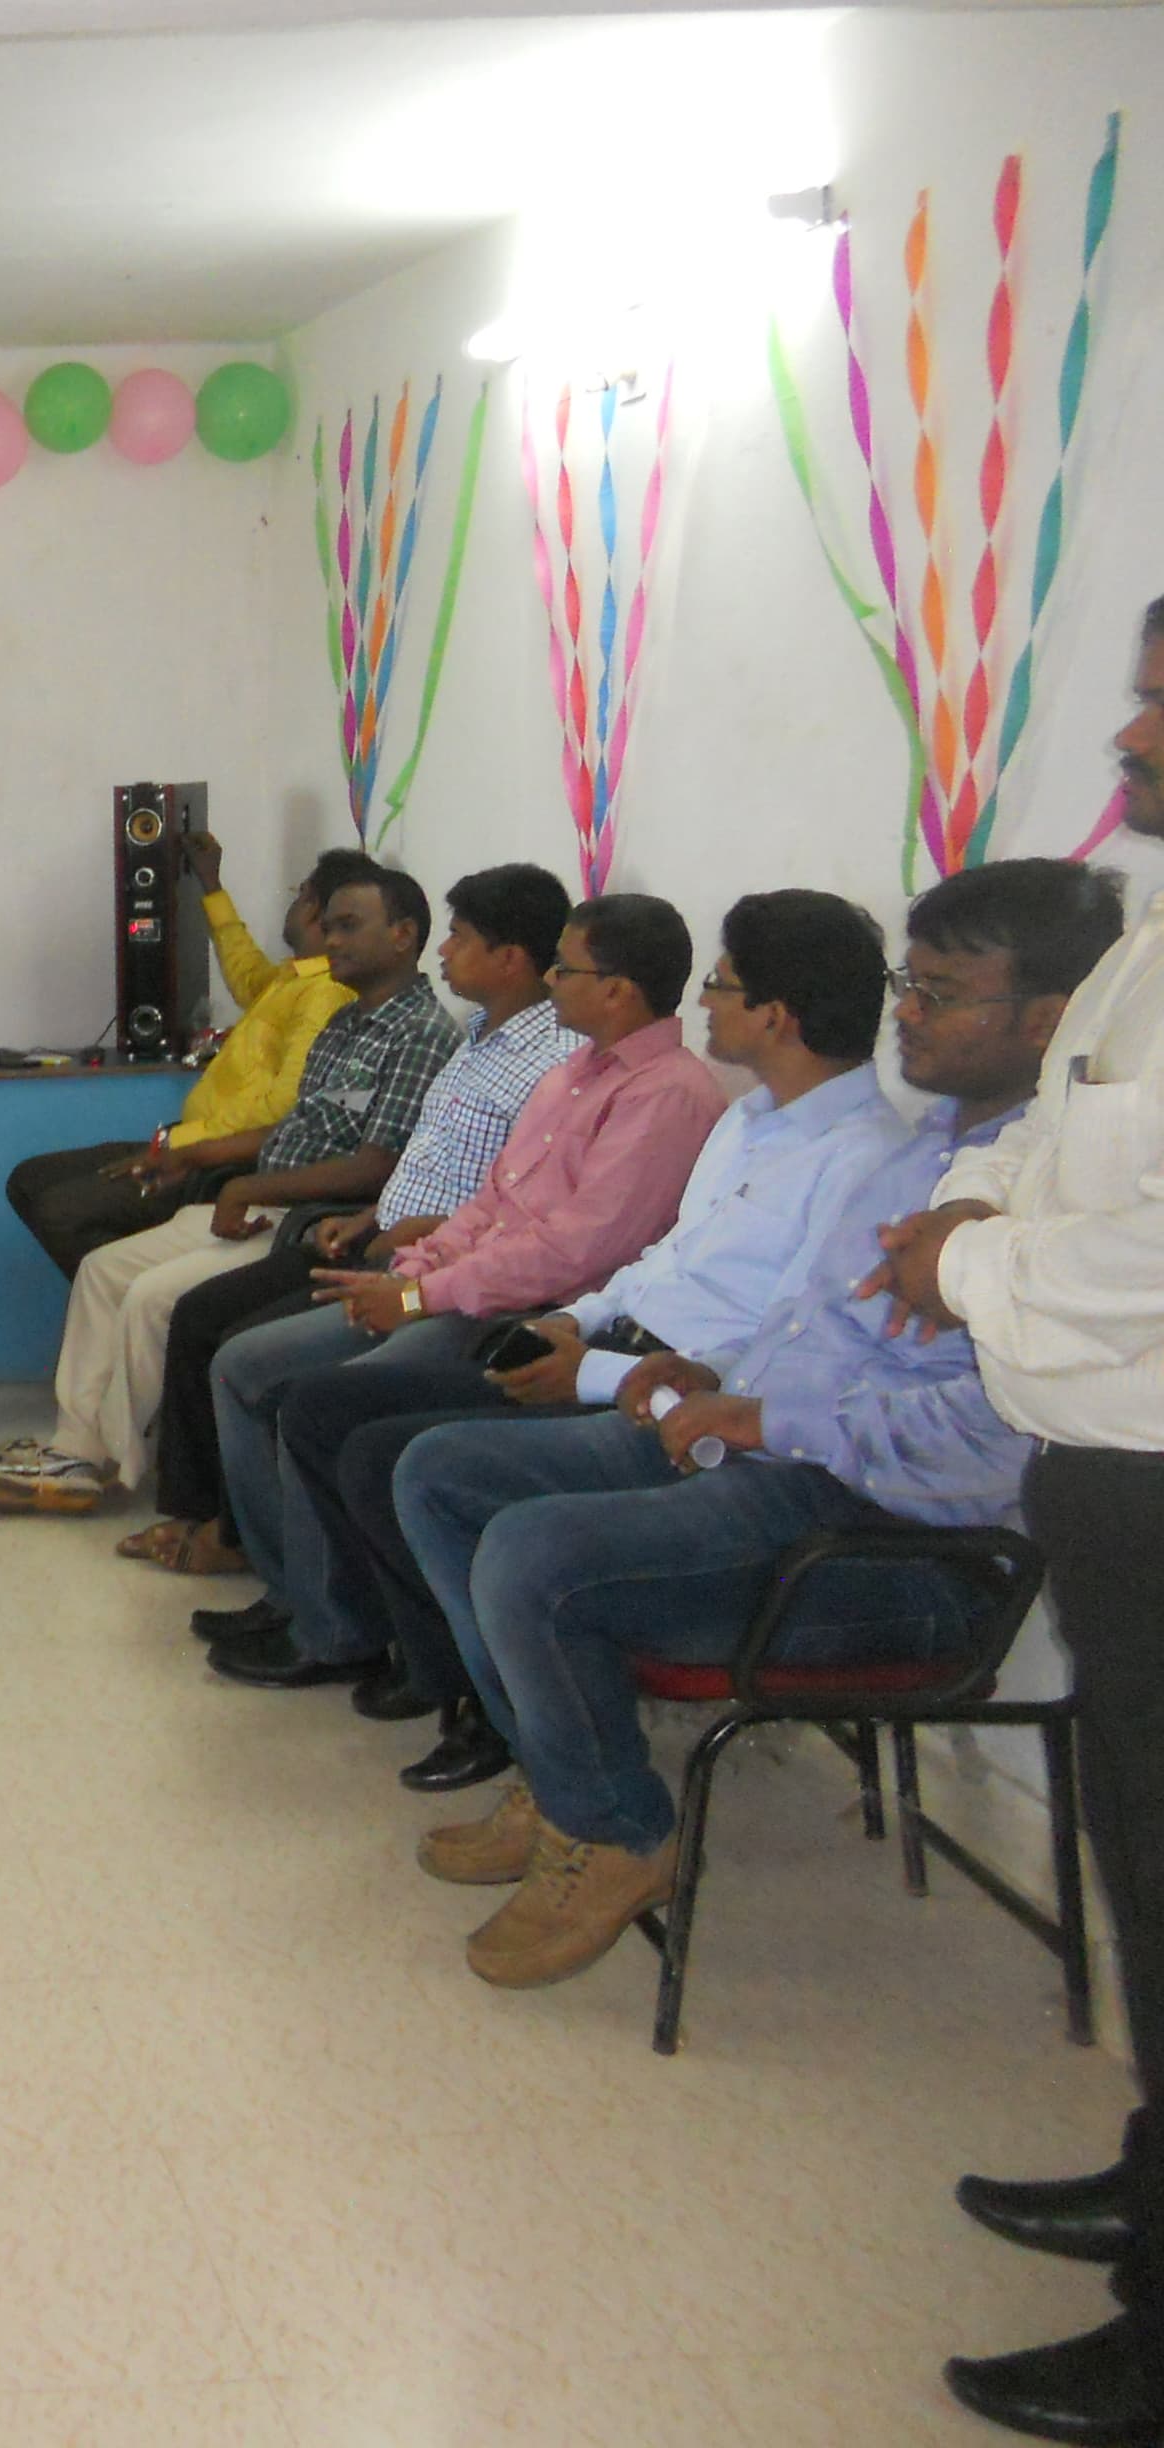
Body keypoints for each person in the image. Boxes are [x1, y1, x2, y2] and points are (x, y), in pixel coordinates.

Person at [385, 866, 1102, 1998]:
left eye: (942, 993)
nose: (906, 1012)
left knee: (531, 1552)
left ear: (1051, 1019)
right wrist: (711, 1379)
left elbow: (986, 1449)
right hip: (770, 1458)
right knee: (443, 1471)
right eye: (909, 983)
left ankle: (614, 1829)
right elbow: (799, 1328)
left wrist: (761, 1412)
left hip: (898, 1545)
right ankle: (564, 1783)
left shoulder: (1051, 1213)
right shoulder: (931, 1155)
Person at [215, 890, 910, 1766]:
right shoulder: (745, 1118)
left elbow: (767, 1351)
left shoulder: (859, 1160)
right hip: (598, 1334)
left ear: (777, 1015)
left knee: (405, 1455)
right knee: (334, 1412)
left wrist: (572, 1361)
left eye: (723, 986)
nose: (704, 1001)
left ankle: (492, 1710)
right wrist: (567, 1322)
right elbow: (651, 1257)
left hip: (680, 1398)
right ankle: (437, 1670)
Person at [862, 614, 1164, 2445]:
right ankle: (1150, 2178)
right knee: (1138, 1858)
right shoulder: (1141, 946)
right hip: (1102, 1474)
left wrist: (961, 1266)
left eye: (1159, 702)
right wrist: (957, 1216)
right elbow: (1043, 1140)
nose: (1128, 734)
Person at [196, 893, 726, 1684]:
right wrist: (414, 1270)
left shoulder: (669, 1094)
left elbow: (577, 1251)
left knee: (320, 1401)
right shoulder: (571, 1074)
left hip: (526, 1315)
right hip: (453, 1283)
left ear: (617, 990)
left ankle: (336, 1630)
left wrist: (420, 1297)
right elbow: (491, 1201)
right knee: (240, 1363)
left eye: (566, 969)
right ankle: (296, 1594)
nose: (552, 981)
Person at [0, 864, 463, 1515]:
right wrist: (200, 1160)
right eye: (329, 924)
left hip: (309, 1218)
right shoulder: (346, 1024)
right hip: (260, 1197)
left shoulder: (421, 1035)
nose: (331, 939)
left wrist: (247, 1184)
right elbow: (297, 1124)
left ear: (402, 935)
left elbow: (377, 1165)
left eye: (347, 926)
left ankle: (116, 1467)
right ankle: (76, 1447)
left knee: (151, 1298)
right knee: (103, 1271)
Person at [128, 864, 579, 1573]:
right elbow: (428, 1158)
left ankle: (260, 1556)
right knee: (216, 1326)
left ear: (510, 957)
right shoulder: (479, 1036)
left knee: (246, 1354)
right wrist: (374, 1217)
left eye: (458, 937)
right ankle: (246, 1541)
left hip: (440, 1274)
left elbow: (519, 1203)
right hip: (376, 1238)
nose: (442, 951)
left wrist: (421, 1236)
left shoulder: (552, 1063)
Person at [0, 836, 373, 1278]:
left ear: (314, 909)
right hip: (190, 1144)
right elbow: (247, 976)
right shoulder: (295, 980)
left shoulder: (327, 994)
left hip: (220, 1163)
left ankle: (134, 1296)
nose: (291, 905)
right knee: (29, 1180)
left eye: (300, 892)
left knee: (61, 1212)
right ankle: (127, 1290)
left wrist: (185, 1144)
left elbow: (283, 1110)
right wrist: (212, 886)